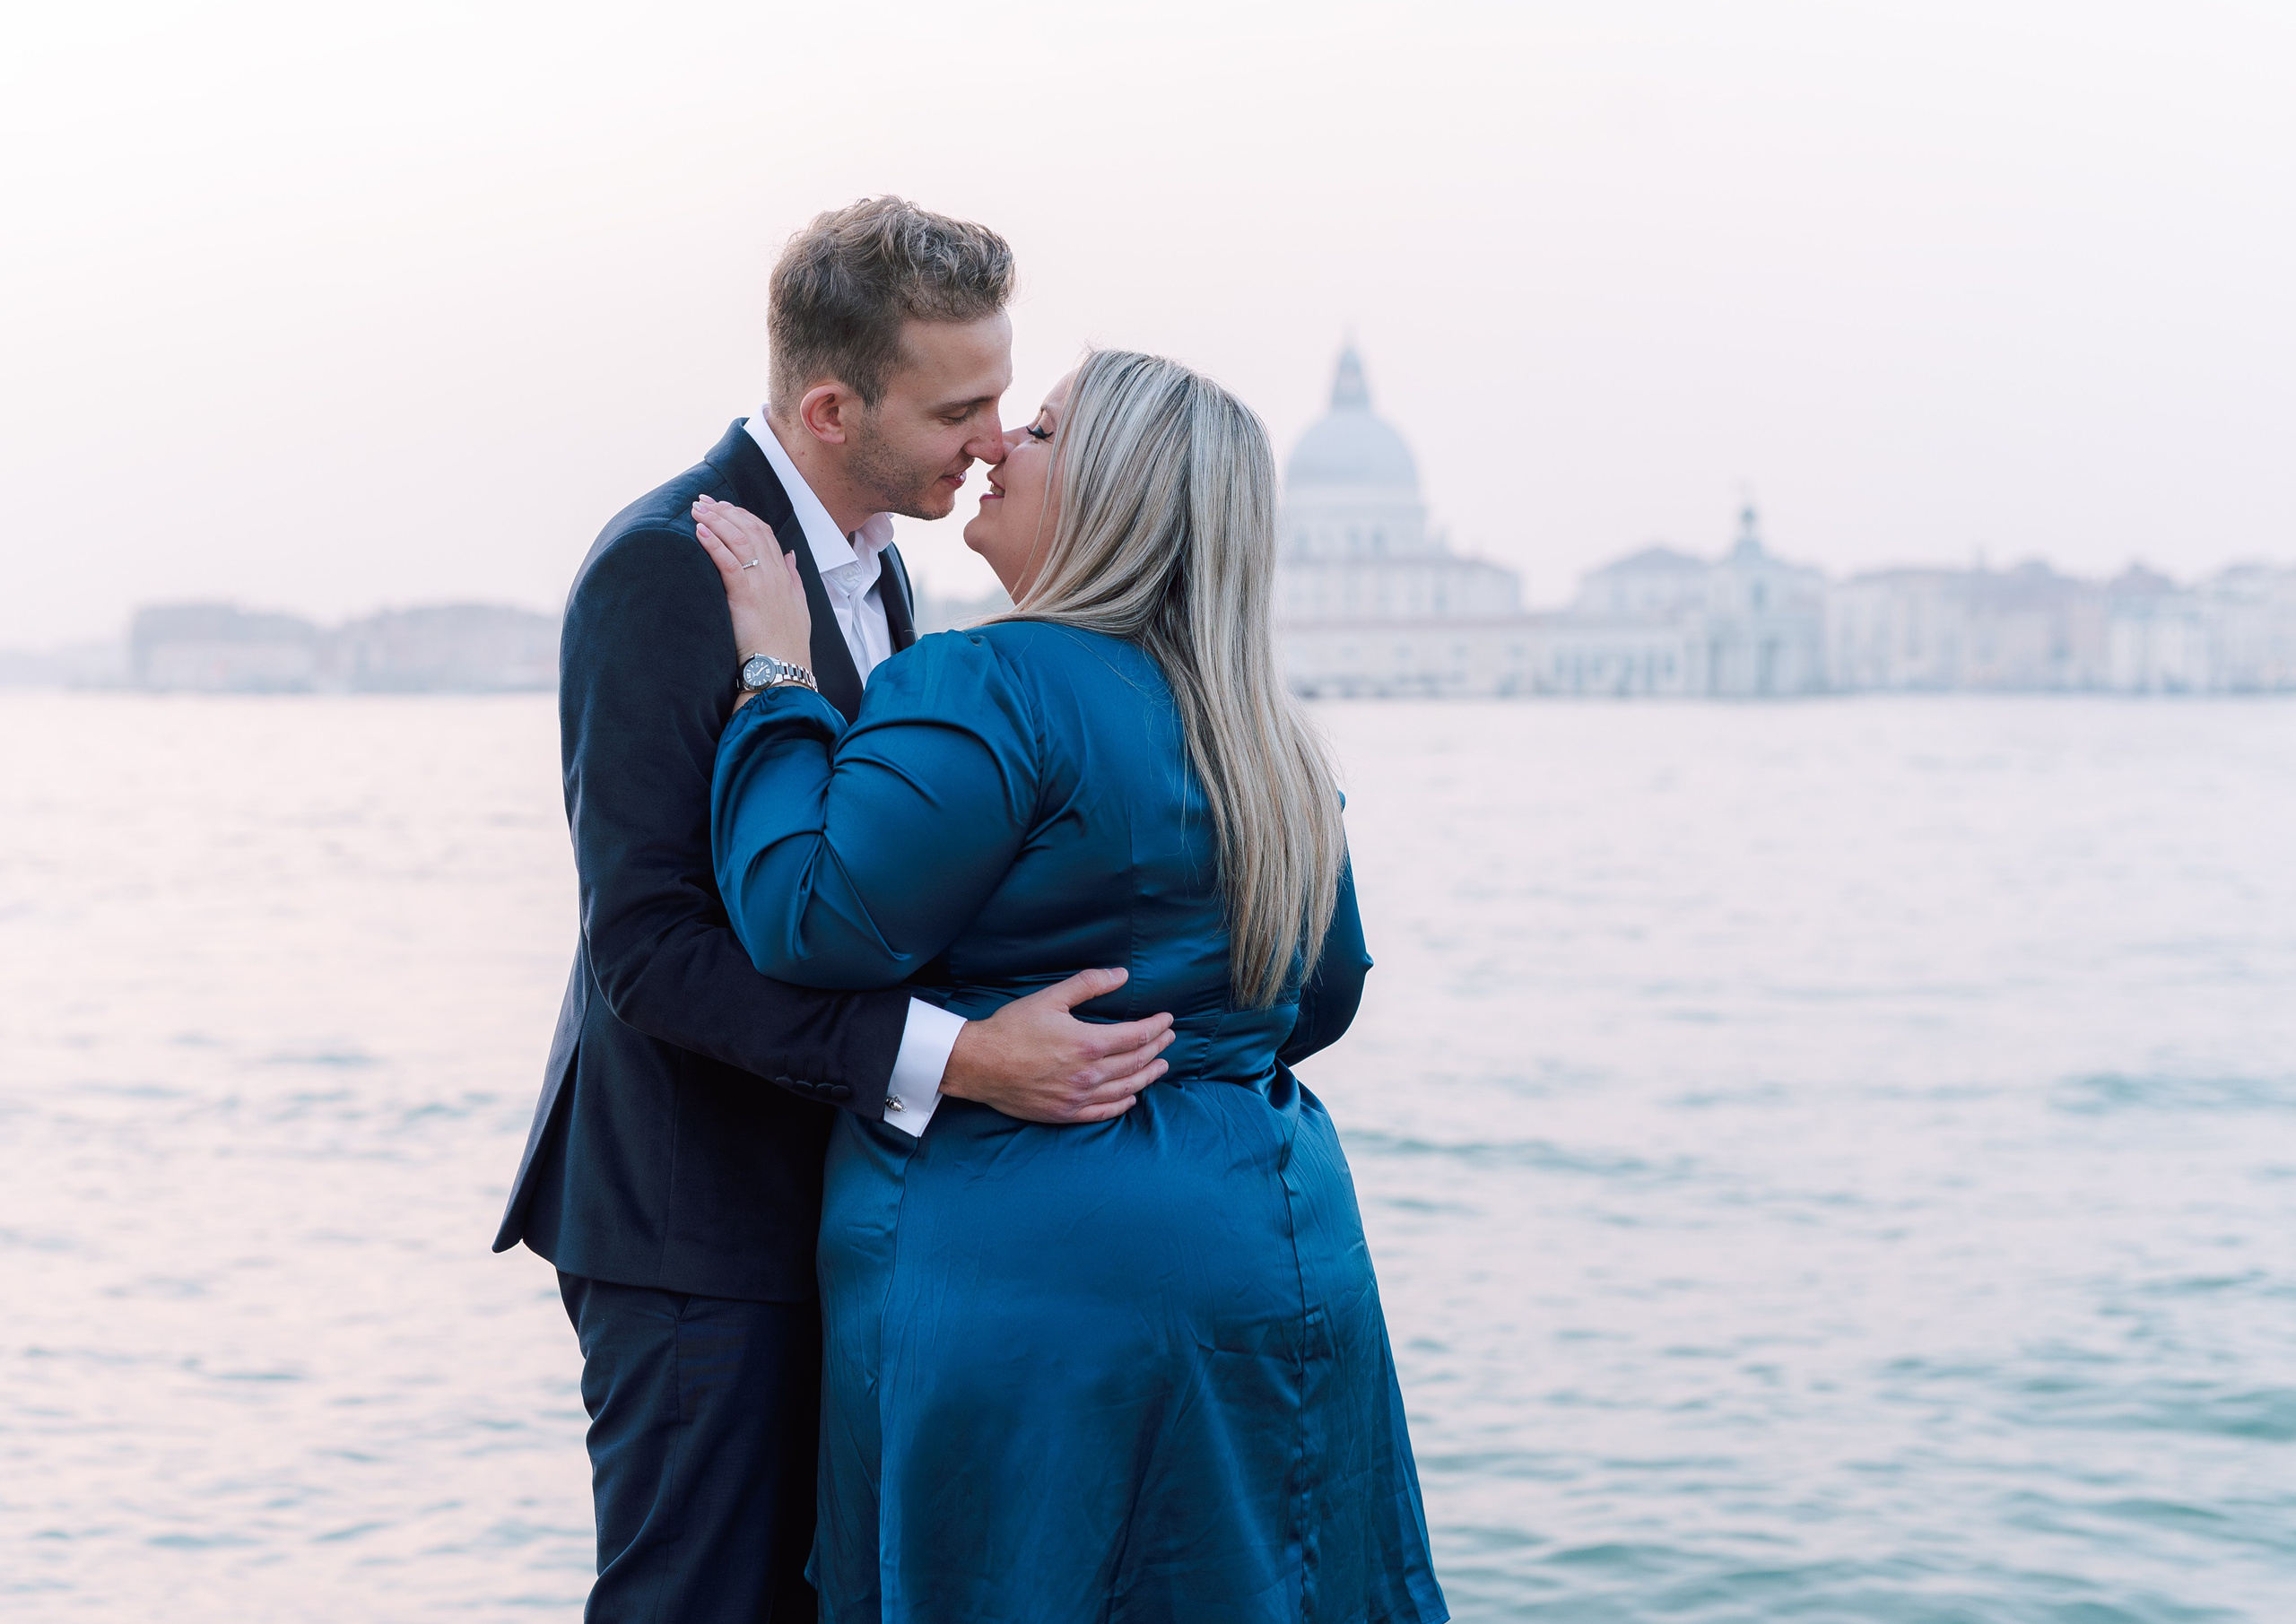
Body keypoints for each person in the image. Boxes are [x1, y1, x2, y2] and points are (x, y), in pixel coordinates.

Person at [492, 199, 1177, 1623]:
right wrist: (959, 1061)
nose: (993, 439)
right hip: (693, 1223)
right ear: (829, 409)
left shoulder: (890, 565)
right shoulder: (665, 567)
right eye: (959, 410)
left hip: (841, 1207)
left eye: (1002, 398)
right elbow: (649, 954)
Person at [695, 350, 1448, 1621]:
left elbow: (805, 914)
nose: (998, 444)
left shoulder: (984, 683)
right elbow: (1320, 996)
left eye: (1041, 430)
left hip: (1032, 1276)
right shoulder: (1266, 734)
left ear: (1112, 492)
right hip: (1277, 1243)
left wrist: (777, 682)